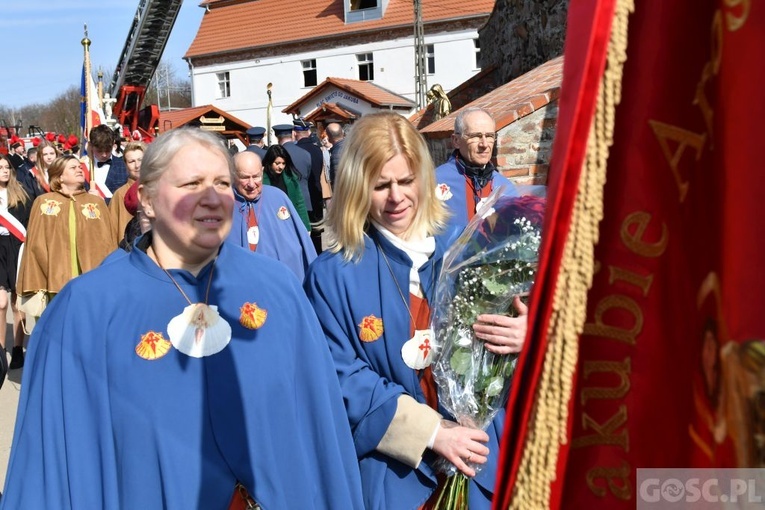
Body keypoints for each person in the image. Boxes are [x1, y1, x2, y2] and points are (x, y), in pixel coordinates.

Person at [0, 127, 364, 509]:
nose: (211, 198)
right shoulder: (83, 310)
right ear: (148, 200)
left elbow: (323, 437)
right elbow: (52, 470)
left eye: (222, 183)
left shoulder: (278, 290)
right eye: (192, 184)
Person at [303, 112, 527, 509]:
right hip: (396, 477)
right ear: (356, 187)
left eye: (406, 181)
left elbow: (520, 327)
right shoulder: (332, 275)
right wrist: (430, 431)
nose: (396, 197)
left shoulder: (467, 249)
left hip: (480, 463)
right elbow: (340, 377)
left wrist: (528, 333)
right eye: (380, 185)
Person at [16, 155, 116, 315]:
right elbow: (34, 244)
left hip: (91, 280)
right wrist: (38, 277)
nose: (79, 169)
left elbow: (108, 243)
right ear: (60, 176)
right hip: (55, 280)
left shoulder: (96, 202)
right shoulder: (43, 202)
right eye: (73, 167)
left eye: (79, 167)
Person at [227, 151, 316, 280]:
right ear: (233, 175)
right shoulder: (222, 203)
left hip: (279, 281)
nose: (251, 184)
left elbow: (302, 243)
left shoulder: (278, 197)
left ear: (262, 171)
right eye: (245, 177)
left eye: (256, 176)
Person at [434, 106, 519, 231]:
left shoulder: (505, 187)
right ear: (456, 140)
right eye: (475, 136)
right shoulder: (433, 181)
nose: (484, 144)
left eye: (489, 136)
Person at [0, 154, 31, 371]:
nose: (3, 171)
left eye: (6, 167)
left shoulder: (20, 194)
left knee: (16, 301)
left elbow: (28, 224)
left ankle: (18, 348)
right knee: (0, 303)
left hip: (16, 247)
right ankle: (1, 351)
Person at [293, 118, 325, 254]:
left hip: (301, 198)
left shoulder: (295, 150)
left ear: (295, 133)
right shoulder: (317, 150)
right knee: (317, 235)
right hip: (316, 194)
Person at [261, 144, 311, 231]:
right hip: (269, 225)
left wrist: (306, 227)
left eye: (283, 163)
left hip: (289, 223)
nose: (281, 167)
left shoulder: (291, 177)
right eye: (277, 163)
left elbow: (300, 203)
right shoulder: (261, 179)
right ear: (269, 162)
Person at [109, 141, 145, 244]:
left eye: (140, 160)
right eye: (131, 161)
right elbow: (115, 230)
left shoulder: (158, 188)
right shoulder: (120, 194)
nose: (137, 165)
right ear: (125, 165)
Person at [273, 123, 313, 218]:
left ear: (277, 137)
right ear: (292, 134)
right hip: (304, 200)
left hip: (285, 201)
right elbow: (307, 175)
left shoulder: (276, 155)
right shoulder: (305, 153)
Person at [88, 124, 128, 202]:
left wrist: (103, 200)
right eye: (99, 151)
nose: (104, 154)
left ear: (113, 144)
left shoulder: (124, 166)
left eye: (107, 150)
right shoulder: (83, 167)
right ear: (91, 146)